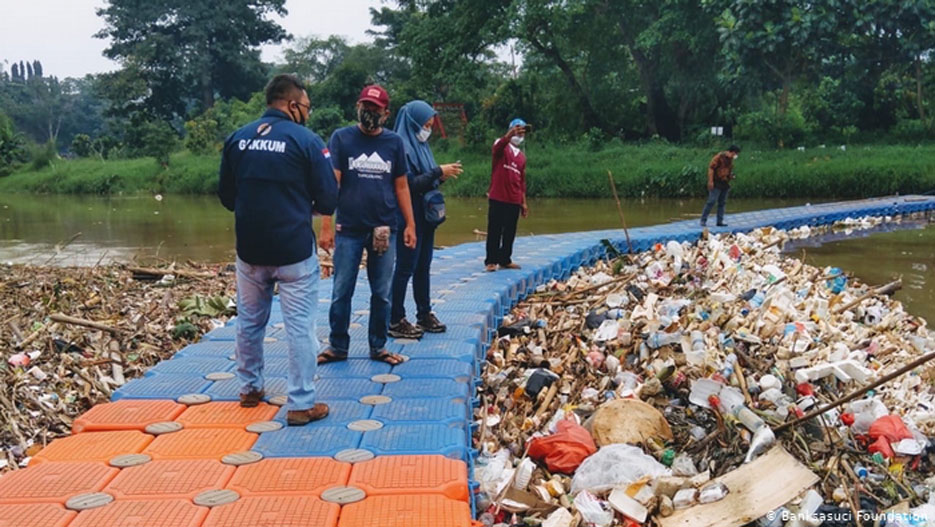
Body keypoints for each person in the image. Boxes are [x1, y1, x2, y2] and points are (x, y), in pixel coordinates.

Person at [218, 74, 337, 426]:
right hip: (293, 251)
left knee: (249, 322)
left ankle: (249, 388)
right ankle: (300, 403)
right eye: (307, 107)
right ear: (292, 104)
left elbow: (227, 197)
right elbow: (329, 199)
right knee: (300, 328)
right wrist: (303, 205)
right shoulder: (307, 141)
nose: (308, 113)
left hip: (250, 250)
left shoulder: (238, 139)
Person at [317, 84, 416, 366]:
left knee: (382, 293)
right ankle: (338, 345)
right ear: (358, 107)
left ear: (386, 113)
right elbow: (332, 183)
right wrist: (326, 225)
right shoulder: (342, 138)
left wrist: (410, 224)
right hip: (349, 229)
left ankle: (378, 346)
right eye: (366, 106)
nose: (369, 112)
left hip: (384, 229)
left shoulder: (394, 143)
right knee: (341, 290)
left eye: (375, 108)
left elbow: (401, 186)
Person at [388, 100, 462, 339]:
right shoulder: (401, 147)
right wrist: (438, 171)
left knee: (423, 265)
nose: (427, 130)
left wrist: (441, 176)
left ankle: (424, 313)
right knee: (405, 266)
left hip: (426, 215)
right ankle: (395, 318)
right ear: (413, 123)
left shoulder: (422, 147)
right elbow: (408, 184)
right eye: (426, 125)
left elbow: (427, 180)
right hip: (408, 215)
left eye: (430, 126)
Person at [485, 118, 529, 272]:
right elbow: (497, 148)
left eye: (522, 131)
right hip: (498, 196)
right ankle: (491, 260)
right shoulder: (501, 145)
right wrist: (509, 134)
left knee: (510, 231)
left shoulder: (522, 157)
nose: (520, 133)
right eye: (517, 129)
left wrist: (523, 202)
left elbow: (521, 181)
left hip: (514, 198)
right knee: (494, 229)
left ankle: (505, 259)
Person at [700, 144, 741, 227]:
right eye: (736, 154)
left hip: (724, 183)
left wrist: (730, 176)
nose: (736, 156)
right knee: (711, 201)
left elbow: (728, 171)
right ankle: (703, 220)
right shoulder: (719, 157)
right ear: (733, 152)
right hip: (716, 182)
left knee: (722, 203)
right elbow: (711, 168)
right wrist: (710, 181)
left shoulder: (730, 160)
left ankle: (720, 221)